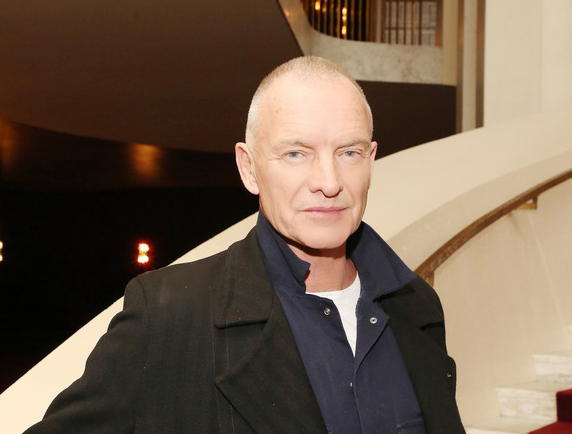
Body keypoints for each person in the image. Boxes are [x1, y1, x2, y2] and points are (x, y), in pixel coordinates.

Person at [25, 56, 464, 433]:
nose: (329, 183)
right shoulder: (168, 313)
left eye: (347, 153)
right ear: (249, 168)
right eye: (296, 153)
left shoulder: (417, 305)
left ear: (370, 161)